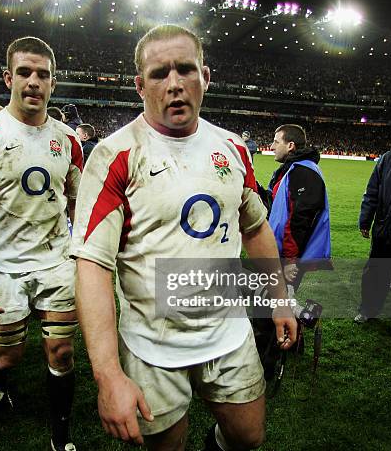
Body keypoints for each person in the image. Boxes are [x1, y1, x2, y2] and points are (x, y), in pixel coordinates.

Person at [71, 25, 296, 451]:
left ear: (205, 77)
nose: (174, 84)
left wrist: (280, 298)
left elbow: (255, 228)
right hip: (151, 347)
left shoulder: (232, 147)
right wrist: (107, 375)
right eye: (159, 74)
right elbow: (93, 265)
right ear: (140, 86)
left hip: (228, 333)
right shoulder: (115, 155)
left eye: (185, 70)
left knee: (248, 437)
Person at [0, 37, 83, 451]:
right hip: (5, 265)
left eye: (42, 74)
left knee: (61, 353)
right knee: (8, 355)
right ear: (9, 78)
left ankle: (60, 439)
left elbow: (79, 206)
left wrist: (82, 255)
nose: (33, 81)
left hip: (58, 261)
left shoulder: (70, 140)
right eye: (24, 72)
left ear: (53, 83)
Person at [355, 141, 391, 353]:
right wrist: (365, 220)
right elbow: (372, 191)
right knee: (375, 273)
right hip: (384, 230)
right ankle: (368, 309)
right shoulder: (388, 158)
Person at [268, 124, 330, 288]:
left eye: (276, 142)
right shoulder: (288, 170)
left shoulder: (304, 172)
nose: (271, 146)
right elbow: (273, 205)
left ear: (290, 146)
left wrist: (290, 261)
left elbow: (299, 219)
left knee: (275, 307)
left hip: (288, 259)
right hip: (277, 251)